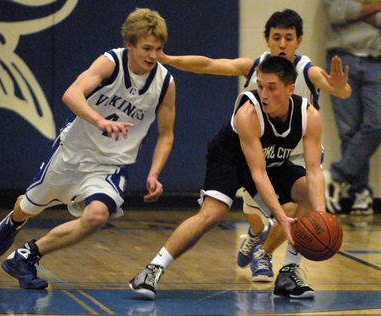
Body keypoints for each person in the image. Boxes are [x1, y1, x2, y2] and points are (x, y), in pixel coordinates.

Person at [0, 8, 176, 289]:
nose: (153, 55)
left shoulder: (165, 83)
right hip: (73, 152)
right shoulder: (110, 62)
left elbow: (166, 136)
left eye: (159, 49)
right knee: (29, 206)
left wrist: (154, 173)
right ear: (129, 44)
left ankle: (27, 256)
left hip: (110, 165)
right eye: (147, 48)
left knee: (97, 216)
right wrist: (99, 120)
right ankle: (15, 220)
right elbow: (71, 94)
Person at [155, 9, 351, 284]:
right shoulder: (254, 67)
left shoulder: (309, 71)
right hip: (259, 150)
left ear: (299, 41)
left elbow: (338, 90)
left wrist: (341, 88)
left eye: (288, 38)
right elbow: (209, 64)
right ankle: (256, 236)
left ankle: (267, 255)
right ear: (267, 40)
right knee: (256, 219)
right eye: (276, 38)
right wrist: (169, 59)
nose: (282, 44)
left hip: (296, 152)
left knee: (298, 207)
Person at [129, 55, 325, 300]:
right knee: (212, 214)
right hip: (230, 158)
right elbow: (257, 173)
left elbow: (315, 170)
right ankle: (151, 270)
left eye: (271, 88)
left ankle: (288, 273)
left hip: (269, 161)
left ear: (290, 89)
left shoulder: (310, 116)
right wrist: (280, 216)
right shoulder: (249, 114)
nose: (263, 94)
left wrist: (321, 215)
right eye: (260, 86)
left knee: (308, 190)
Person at [323, 0, 381, 216]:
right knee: (348, 130)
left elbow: (347, 12)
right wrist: (375, 7)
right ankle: (360, 193)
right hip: (342, 56)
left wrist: (355, 11)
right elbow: (337, 13)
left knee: (376, 124)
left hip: (376, 60)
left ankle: (336, 177)